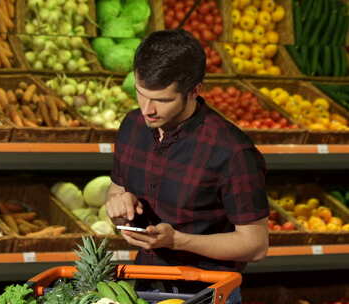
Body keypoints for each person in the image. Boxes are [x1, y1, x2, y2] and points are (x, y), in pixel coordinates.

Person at [105, 29, 269, 304]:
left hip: (206, 293)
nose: (147, 109)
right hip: (142, 285)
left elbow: (255, 245)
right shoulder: (132, 126)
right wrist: (119, 206)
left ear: (194, 90)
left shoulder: (232, 152)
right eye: (140, 94)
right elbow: (116, 190)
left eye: (163, 100)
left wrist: (177, 241)